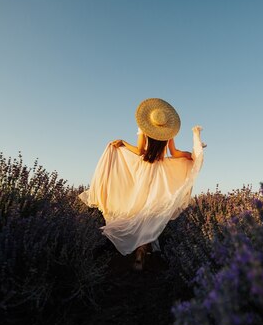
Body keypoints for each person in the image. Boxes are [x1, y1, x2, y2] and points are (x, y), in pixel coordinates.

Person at [79, 98, 205, 270]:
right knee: (151, 209)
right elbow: (174, 153)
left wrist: (123, 143)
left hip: (143, 170)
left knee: (137, 206)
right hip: (161, 172)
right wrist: (188, 155)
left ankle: (137, 247)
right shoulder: (168, 133)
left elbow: (140, 151)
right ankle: (142, 250)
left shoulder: (144, 129)